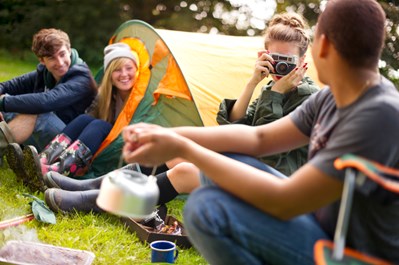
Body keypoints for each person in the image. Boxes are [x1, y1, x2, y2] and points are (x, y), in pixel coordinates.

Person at [121, 0, 399, 264]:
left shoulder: (378, 114)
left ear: (322, 46)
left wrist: (185, 149)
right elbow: (258, 138)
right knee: (221, 163)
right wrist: (171, 135)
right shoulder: (334, 98)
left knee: (205, 209)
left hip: (352, 254)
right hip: (324, 225)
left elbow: (286, 202)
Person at [6, 42, 140, 190]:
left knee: (101, 125)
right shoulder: (106, 96)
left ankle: (56, 172)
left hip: (118, 152)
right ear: (109, 74)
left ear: (136, 70)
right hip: (96, 148)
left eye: (129, 68)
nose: (124, 74)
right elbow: (86, 121)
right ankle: (41, 162)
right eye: (117, 70)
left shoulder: (140, 98)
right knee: (86, 119)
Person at [217, 12, 319, 175]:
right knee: (184, 163)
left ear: (301, 60)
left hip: (285, 179)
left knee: (192, 165)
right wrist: (253, 82)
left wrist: (276, 93)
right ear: (264, 56)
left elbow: (269, 152)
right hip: (259, 170)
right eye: (276, 58)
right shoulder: (270, 88)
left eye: (288, 60)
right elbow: (236, 125)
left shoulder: (310, 97)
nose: (282, 67)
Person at [0, 28, 97, 163]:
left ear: (69, 50)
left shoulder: (82, 77)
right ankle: (11, 154)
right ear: (42, 60)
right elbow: (10, 85)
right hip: (51, 138)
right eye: (51, 57)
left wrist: (3, 102)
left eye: (62, 54)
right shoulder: (45, 73)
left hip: (71, 146)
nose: (60, 62)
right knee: (14, 104)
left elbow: (45, 102)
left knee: (37, 112)